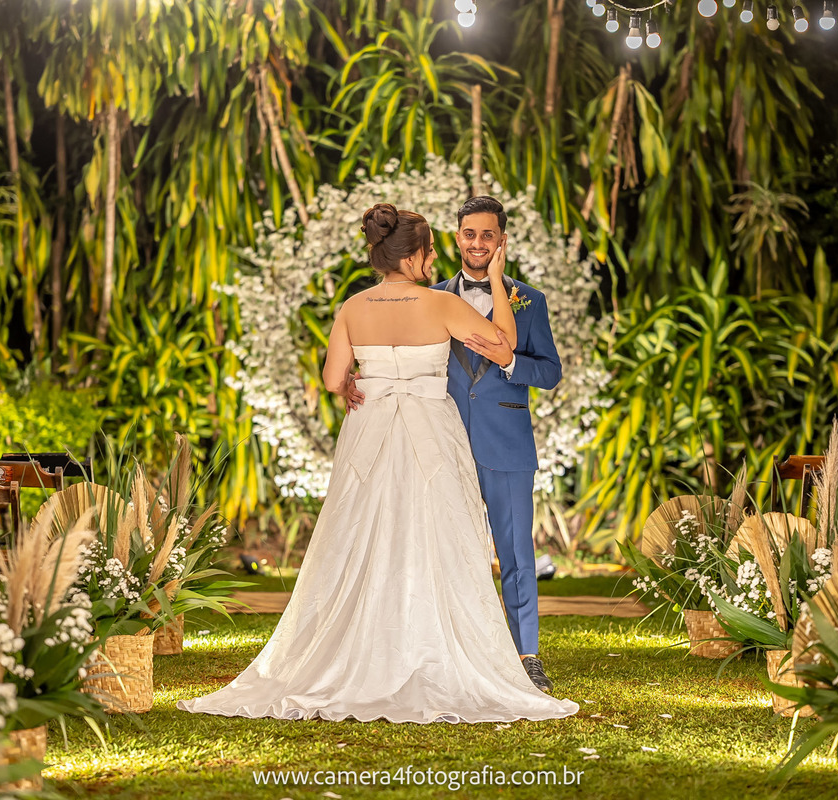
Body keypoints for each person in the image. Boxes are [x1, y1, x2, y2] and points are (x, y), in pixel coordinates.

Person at [177, 203, 578, 723]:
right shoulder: (437, 304)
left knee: (363, 536)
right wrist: (499, 284)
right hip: (431, 432)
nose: (437, 256)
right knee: (438, 540)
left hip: (370, 433)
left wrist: (356, 384)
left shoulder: (352, 307)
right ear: (413, 257)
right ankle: (432, 648)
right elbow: (501, 342)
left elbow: (330, 379)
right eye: (433, 248)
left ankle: (367, 651)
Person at [431, 196, 562, 693]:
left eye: (488, 235)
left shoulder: (529, 300)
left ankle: (526, 655)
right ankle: (455, 653)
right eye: (470, 233)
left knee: (516, 556)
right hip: (446, 445)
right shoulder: (434, 297)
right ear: (457, 237)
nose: (478, 243)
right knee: (449, 552)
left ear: (502, 241)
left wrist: (510, 365)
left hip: (507, 445)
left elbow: (549, 372)